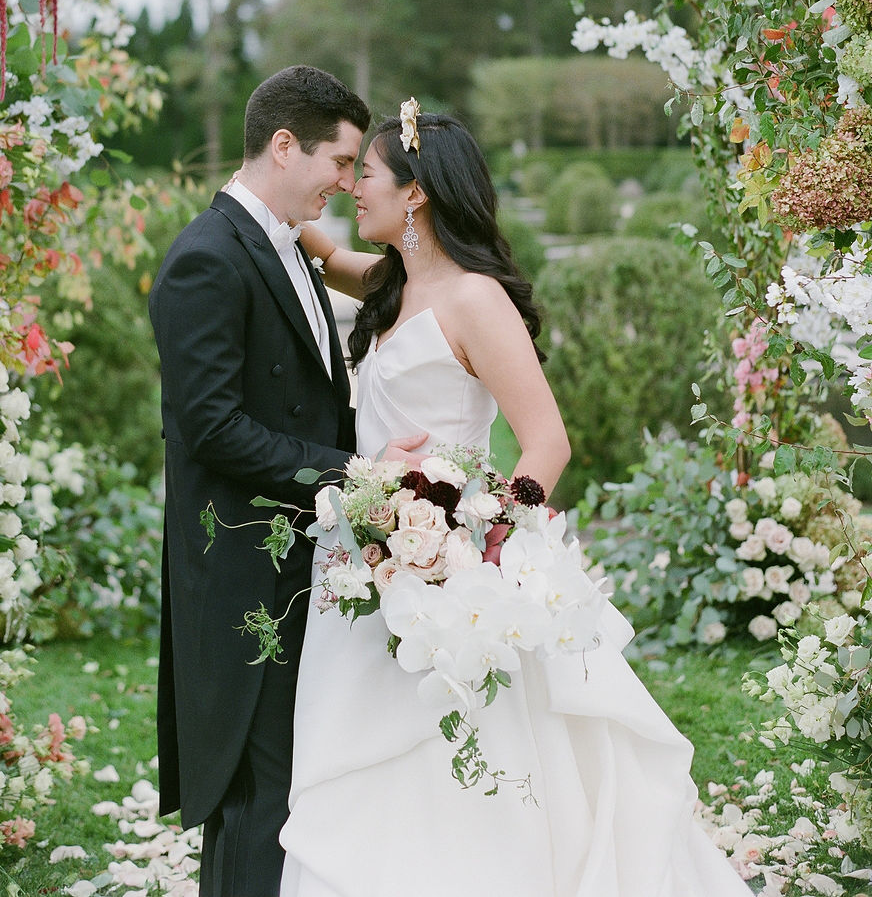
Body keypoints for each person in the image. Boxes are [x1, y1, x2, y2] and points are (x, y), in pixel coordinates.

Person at [278, 104, 753, 897]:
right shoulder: (389, 285)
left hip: (454, 566)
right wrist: (269, 198)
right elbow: (320, 249)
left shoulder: (475, 300)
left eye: (365, 175)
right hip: (370, 565)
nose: (352, 188)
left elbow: (547, 444)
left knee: (464, 755)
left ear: (417, 193)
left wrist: (481, 530)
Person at [148, 66, 427, 897]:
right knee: (253, 795)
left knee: (285, 790)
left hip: (299, 565)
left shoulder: (288, 248)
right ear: (282, 145)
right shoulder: (205, 260)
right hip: (240, 570)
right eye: (340, 162)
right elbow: (213, 427)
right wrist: (360, 473)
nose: (347, 182)